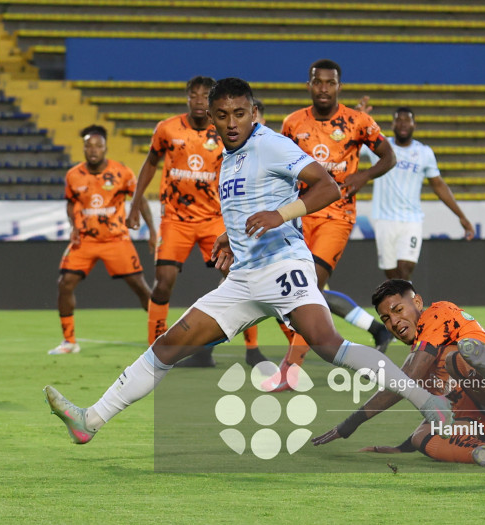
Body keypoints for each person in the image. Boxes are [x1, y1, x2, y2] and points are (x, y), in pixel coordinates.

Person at [44, 78, 453, 446]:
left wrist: (281, 215)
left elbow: (328, 187)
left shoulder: (270, 143)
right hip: (243, 280)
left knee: (329, 346)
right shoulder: (227, 160)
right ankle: (90, 420)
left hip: (284, 266)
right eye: (222, 115)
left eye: (239, 113)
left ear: (252, 112)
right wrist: (228, 238)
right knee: (166, 347)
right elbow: (248, 208)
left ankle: (428, 402)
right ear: (212, 119)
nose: (231, 122)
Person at [312, 279, 485, 466]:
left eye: (398, 310)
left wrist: (351, 423)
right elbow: (422, 398)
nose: (394, 322)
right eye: (386, 319)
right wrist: (402, 447)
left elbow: (406, 380)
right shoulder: (422, 358)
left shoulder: (438, 313)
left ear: (418, 302)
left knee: (455, 358)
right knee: (422, 436)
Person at [126, 75, 264, 367]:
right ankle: (155, 351)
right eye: (194, 95)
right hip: (175, 220)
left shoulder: (224, 130)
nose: (199, 101)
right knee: (163, 283)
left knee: (237, 278)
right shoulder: (167, 129)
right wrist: (136, 203)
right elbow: (151, 162)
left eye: (205, 96)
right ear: (187, 97)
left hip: (214, 219)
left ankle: (252, 349)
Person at [276, 59, 396, 387]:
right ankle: (374, 331)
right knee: (301, 292)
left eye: (331, 83)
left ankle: (291, 370)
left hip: (336, 217)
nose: (324, 88)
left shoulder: (358, 122)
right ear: (309, 85)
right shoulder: (292, 123)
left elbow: (389, 157)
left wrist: (363, 175)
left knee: (307, 287)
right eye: (318, 82)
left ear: (339, 86)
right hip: (298, 216)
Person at [48, 125, 156, 355]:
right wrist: (73, 225)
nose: (93, 150)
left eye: (98, 145)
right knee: (64, 283)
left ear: (106, 147)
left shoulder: (122, 173)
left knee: (139, 286)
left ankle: (159, 335)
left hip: (116, 239)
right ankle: (69, 341)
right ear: (84, 148)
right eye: (89, 145)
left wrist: (153, 232)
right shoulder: (73, 175)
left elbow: (140, 199)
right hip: (85, 240)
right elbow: (70, 202)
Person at [358, 106, 475, 280]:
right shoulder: (380, 146)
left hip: (411, 220)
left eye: (407, 120)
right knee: (392, 275)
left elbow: (438, 185)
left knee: (405, 268)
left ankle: (410, 306)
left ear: (414, 125)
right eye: (399, 120)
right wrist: (359, 119)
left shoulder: (424, 153)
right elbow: (351, 146)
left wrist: (461, 216)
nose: (403, 124)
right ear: (393, 124)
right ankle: (403, 304)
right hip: (384, 219)